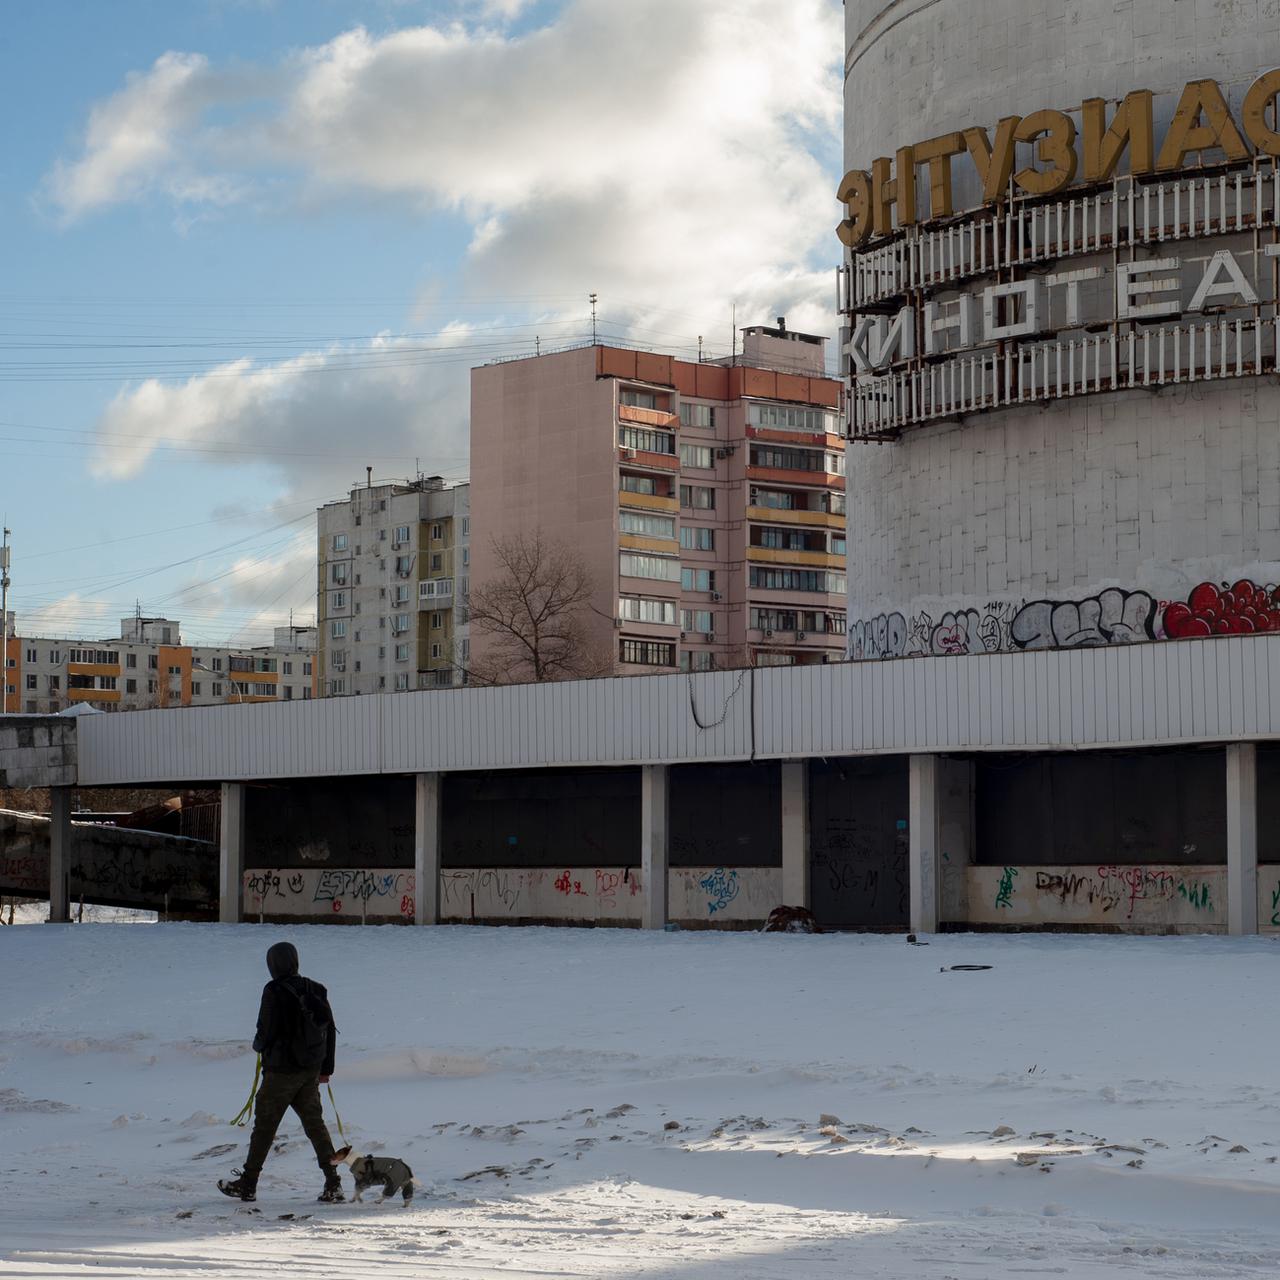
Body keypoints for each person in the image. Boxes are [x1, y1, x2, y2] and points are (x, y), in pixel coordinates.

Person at [218, 941, 345, 1204]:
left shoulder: (273, 990)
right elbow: (330, 1031)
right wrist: (326, 1070)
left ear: (273, 965)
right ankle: (334, 1184)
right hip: (309, 1071)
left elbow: (266, 1029)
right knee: (315, 1125)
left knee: (264, 1127)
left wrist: (258, 1046)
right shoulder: (316, 989)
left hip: (280, 1072)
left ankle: (248, 1184)